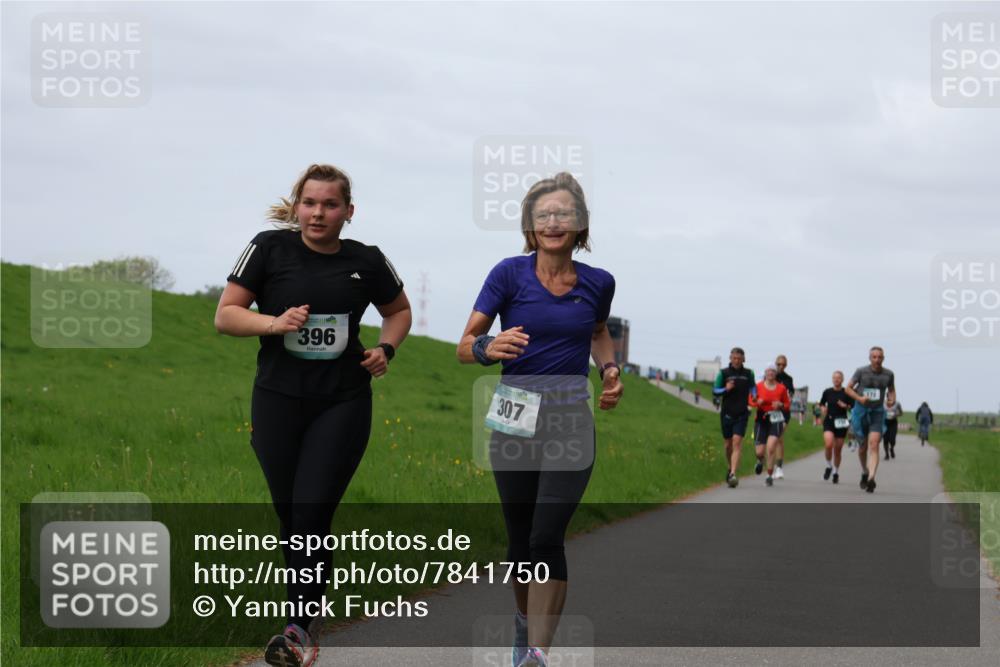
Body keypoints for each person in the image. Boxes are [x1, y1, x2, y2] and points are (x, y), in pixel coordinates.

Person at [215, 164, 411, 667]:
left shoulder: (366, 261)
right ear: (296, 205)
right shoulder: (269, 248)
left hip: (342, 401)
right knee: (291, 517)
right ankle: (302, 622)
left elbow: (399, 311)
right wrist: (274, 322)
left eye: (329, 204)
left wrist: (386, 349)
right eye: (310, 203)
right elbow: (227, 314)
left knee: (310, 512)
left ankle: (299, 628)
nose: (318, 213)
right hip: (278, 399)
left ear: (348, 211)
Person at [457, 172, 622, 667]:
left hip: (571, 416)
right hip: (514, 414)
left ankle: (537, 654)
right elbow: (466, 345)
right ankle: (526, 625)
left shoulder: (599, 282)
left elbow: (597, 333)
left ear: (580, 225)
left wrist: (610, 368)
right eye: (544, 215)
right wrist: (489, 346)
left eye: (564, 214)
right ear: (530, 225)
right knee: (520, 540)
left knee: (547, 535)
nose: (554, 223)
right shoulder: (508, 274)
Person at [844, 347, 896, 493]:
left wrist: (891, 400)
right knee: (862, 447)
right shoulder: (861, 371)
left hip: (877, 413)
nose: (877, 360)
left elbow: (891, 390)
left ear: (883, 358)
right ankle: (865, 471)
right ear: (870, 358)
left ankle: (872, 477)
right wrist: (860, 398)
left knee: (874, 445)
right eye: (874, 357)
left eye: (879, 357)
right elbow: (848, 389)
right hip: (860, 412)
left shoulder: (889, 374)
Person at [712, 348, 757, 487]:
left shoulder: (749, 373)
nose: (736, 361)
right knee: (728, 445)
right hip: (727, 413)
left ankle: (732, 474)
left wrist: (754, 394)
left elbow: (753, 387)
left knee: (737, 442)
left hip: (742, 413)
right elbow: (715, 390)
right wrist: (725, 388)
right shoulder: (723, 373)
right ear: (730, 358)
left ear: (744, 359)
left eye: (739, 358)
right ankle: (729, 466)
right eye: (734, 358)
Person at [750, 365, 791, 487]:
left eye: (773, 371)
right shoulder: (758, 386)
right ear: (765, 373)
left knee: (771, 447)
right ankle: (759, 460)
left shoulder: (781, 388)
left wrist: (780, 405)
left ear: (775, 374)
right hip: (761, 419)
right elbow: (750, 400)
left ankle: (769, 475)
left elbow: (787, 404)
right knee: (759, 451)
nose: (770, 373)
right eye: (768, 371)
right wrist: (757, 402)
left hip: (776, 418)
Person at [819, 371, 854, 484]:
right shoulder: (827, 392)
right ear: (832, 379)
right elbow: (821, 403)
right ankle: (829, 466)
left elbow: (852, 407)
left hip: (842, 422)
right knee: (828, 444)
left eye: (838, 378)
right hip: (829, 420)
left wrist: (846, 406)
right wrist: (823, 408)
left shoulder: (847, 392)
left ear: (842, 379)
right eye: (834, 378)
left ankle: (835, 472)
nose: (836, 380)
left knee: (838, 450)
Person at [774, 355, 794, 479]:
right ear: (775, 364)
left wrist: (788, 398)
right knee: (770, 440)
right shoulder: (770, 375)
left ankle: (779, 468)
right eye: (779, 364)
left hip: (783, 412)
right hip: (769, 411)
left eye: (783, 364)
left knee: (779, 437)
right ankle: (768, 463)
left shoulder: (788, 379)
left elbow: (791, 393)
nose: (781, 366)